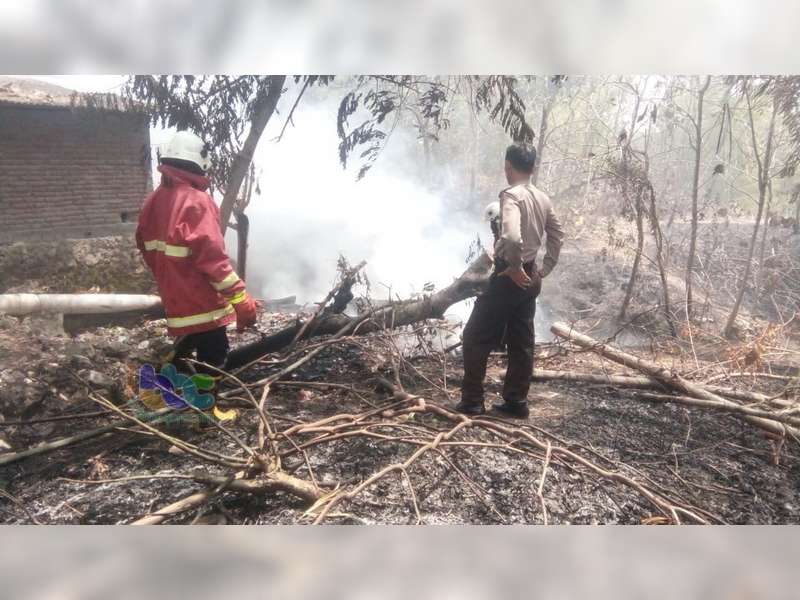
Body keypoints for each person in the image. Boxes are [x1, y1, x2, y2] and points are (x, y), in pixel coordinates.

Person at [136, 130, 259, 373]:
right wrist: (241, 299)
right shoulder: (196, 201)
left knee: (189, 345)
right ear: (200, 163)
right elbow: (213, 260)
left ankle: (171, 385)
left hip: (176, 297)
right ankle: (207, 406)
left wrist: (172, 276)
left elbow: (145, 246)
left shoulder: (154, 200)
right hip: (202, 302)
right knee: (214, 357)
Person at [456, 143, 564, 418]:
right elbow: (557, 235)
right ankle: (516, 403)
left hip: (509, 276)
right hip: (531, 277)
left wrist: (514, 266)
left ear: (508, 166)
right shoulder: (542, 197)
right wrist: (544, 269)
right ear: (532, 167)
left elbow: (512, 237)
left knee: (475, 336)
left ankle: (472, 402)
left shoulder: (511, 196)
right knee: (522, 341)